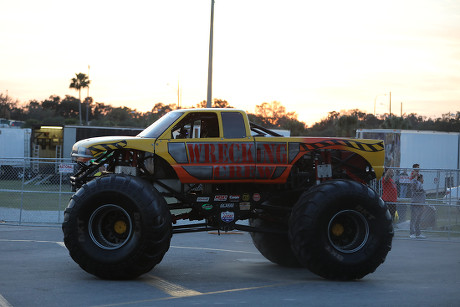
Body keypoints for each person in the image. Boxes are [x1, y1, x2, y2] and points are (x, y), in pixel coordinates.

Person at [410, 165, 426, 239]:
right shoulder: (414, 182)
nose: (423, 180)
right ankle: (412, 233)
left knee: (418, 219)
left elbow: (422, 194)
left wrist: (423, 204)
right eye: (422, 178)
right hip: (415, 203)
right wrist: (415, 177)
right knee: (413, 218)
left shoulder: (420, 184)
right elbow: (415, 190)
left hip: (420, 203)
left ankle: (418, 233)